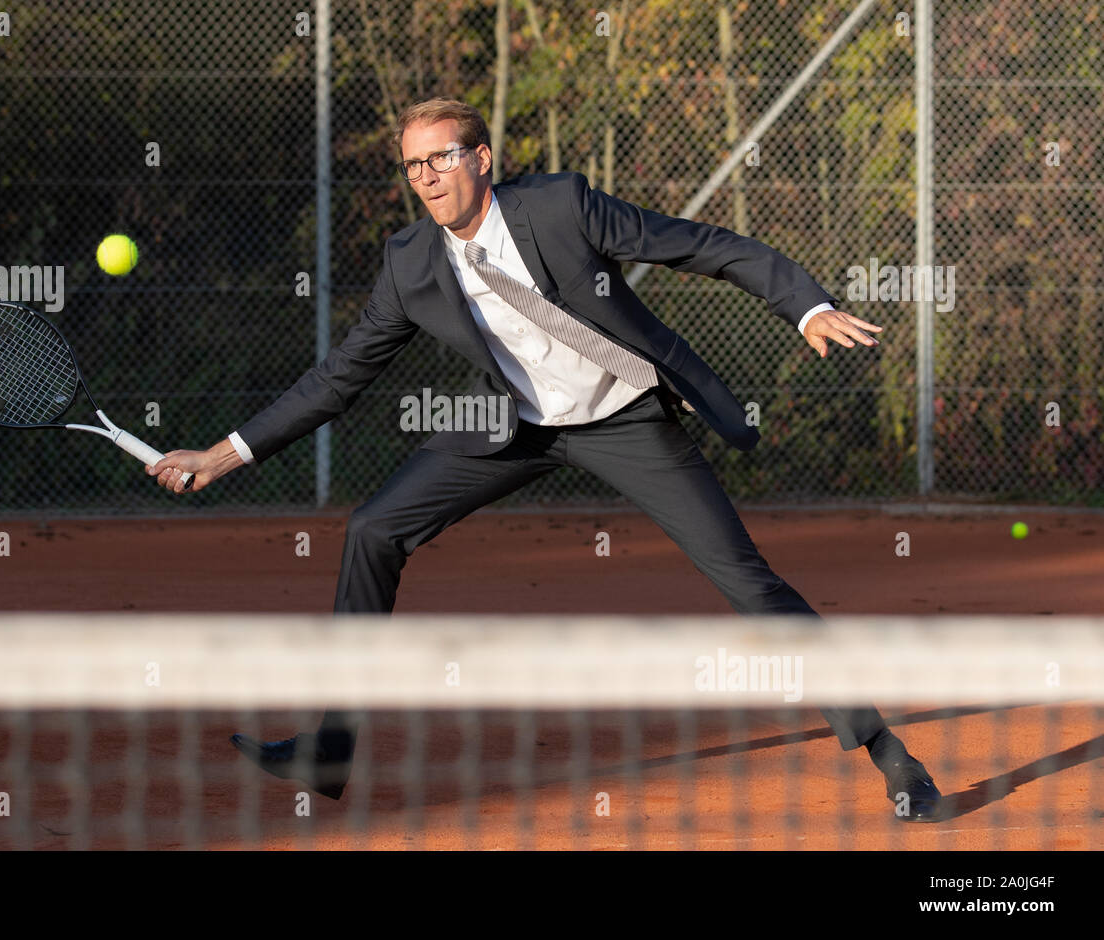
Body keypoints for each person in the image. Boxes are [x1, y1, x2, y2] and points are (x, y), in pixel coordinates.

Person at [148, 97, 942, 821]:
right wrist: (224, 455)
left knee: (746, 580)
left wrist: (804, 304)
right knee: (373, 529)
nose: (427, 177)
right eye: (414, 165)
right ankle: (331, 745)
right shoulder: (411, 263)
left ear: (482, 160)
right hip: (516, 426)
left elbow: (700, 246)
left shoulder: (559, 208)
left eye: (443, 158)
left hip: (623, 415)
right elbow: (339, 379)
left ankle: (891, 757)